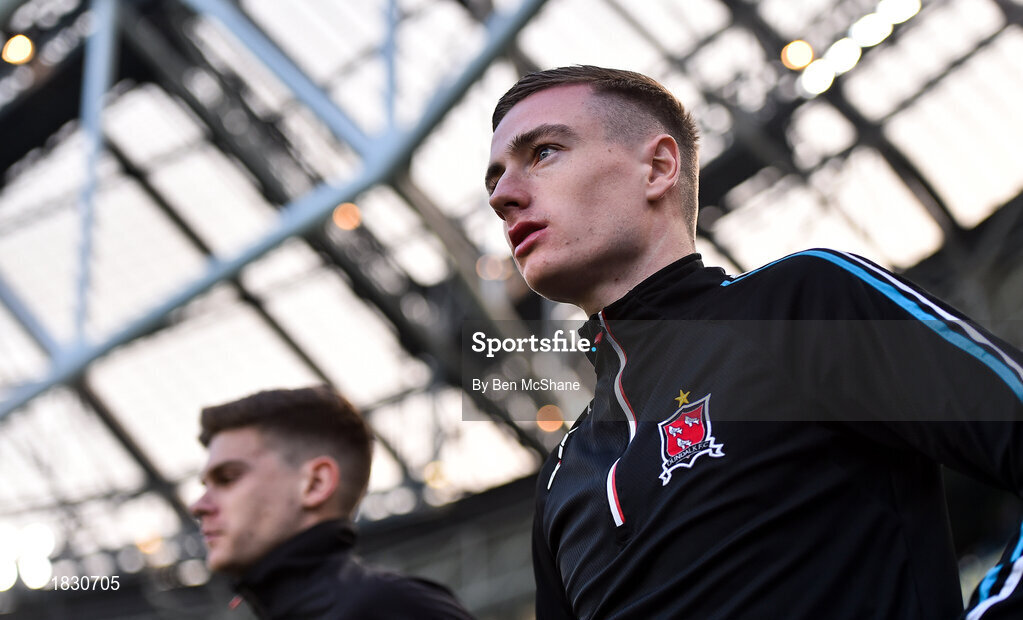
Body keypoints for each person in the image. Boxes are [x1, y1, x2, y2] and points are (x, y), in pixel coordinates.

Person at [486, 65, 1023, 619]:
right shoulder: (561, 478)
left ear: (658, 168)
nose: (502, 197)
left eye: (543, 152)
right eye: (494, 180)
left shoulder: (802, 304)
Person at [190, 385, 475, 619]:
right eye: (205, 486)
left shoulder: (395, 609)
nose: (198, 506)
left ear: (316, 483)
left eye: (227, 478)